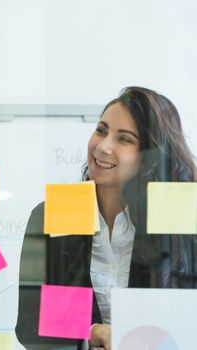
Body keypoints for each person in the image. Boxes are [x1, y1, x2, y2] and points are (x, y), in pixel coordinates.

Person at [16, 86, 197, 350]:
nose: (102, 146)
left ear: (151, 158)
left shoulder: (175, 218)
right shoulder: (58, 211)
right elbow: (31, 324)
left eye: (124, 139)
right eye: (101, 130)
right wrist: (93, 332)